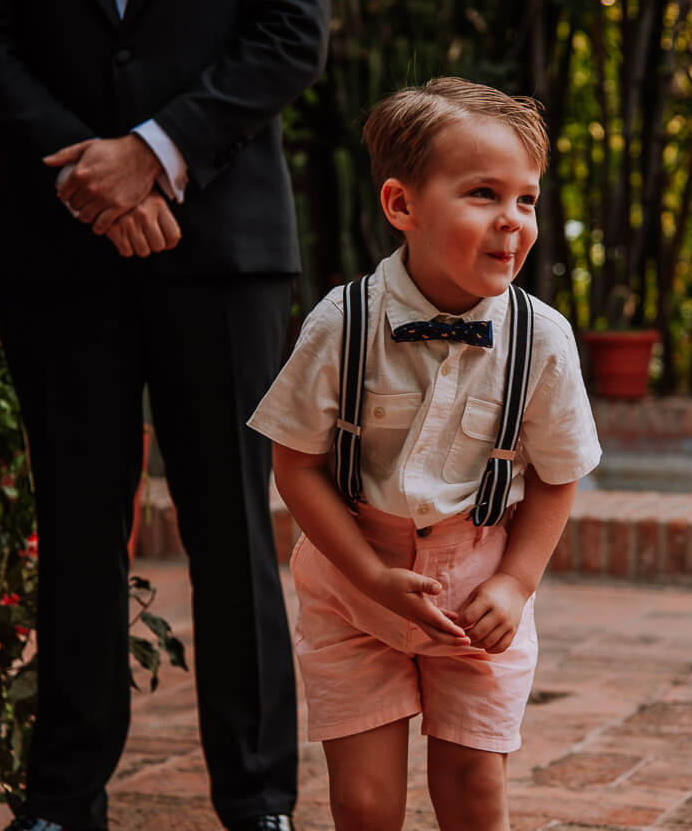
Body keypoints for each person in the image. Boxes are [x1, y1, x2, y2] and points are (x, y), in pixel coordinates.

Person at [0, 0, 329, 830]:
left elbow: (289, 30)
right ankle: (63, 798)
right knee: (76, 521)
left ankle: (257, 798)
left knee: (231, 530)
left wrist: (153, 156)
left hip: (222, 240)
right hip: (57, 240)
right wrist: (85, 176)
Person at [247, 77, 602, 830]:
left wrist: (514, 583)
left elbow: (556, 479)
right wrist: (371, 573)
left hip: (477, 587)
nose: (512, 221)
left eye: (526, 200)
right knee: (366, 802)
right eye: (483, 194)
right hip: (351, 580)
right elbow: (296, 463)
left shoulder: (542, 340)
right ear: (402, 205)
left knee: (474, 789)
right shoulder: (341, 324)